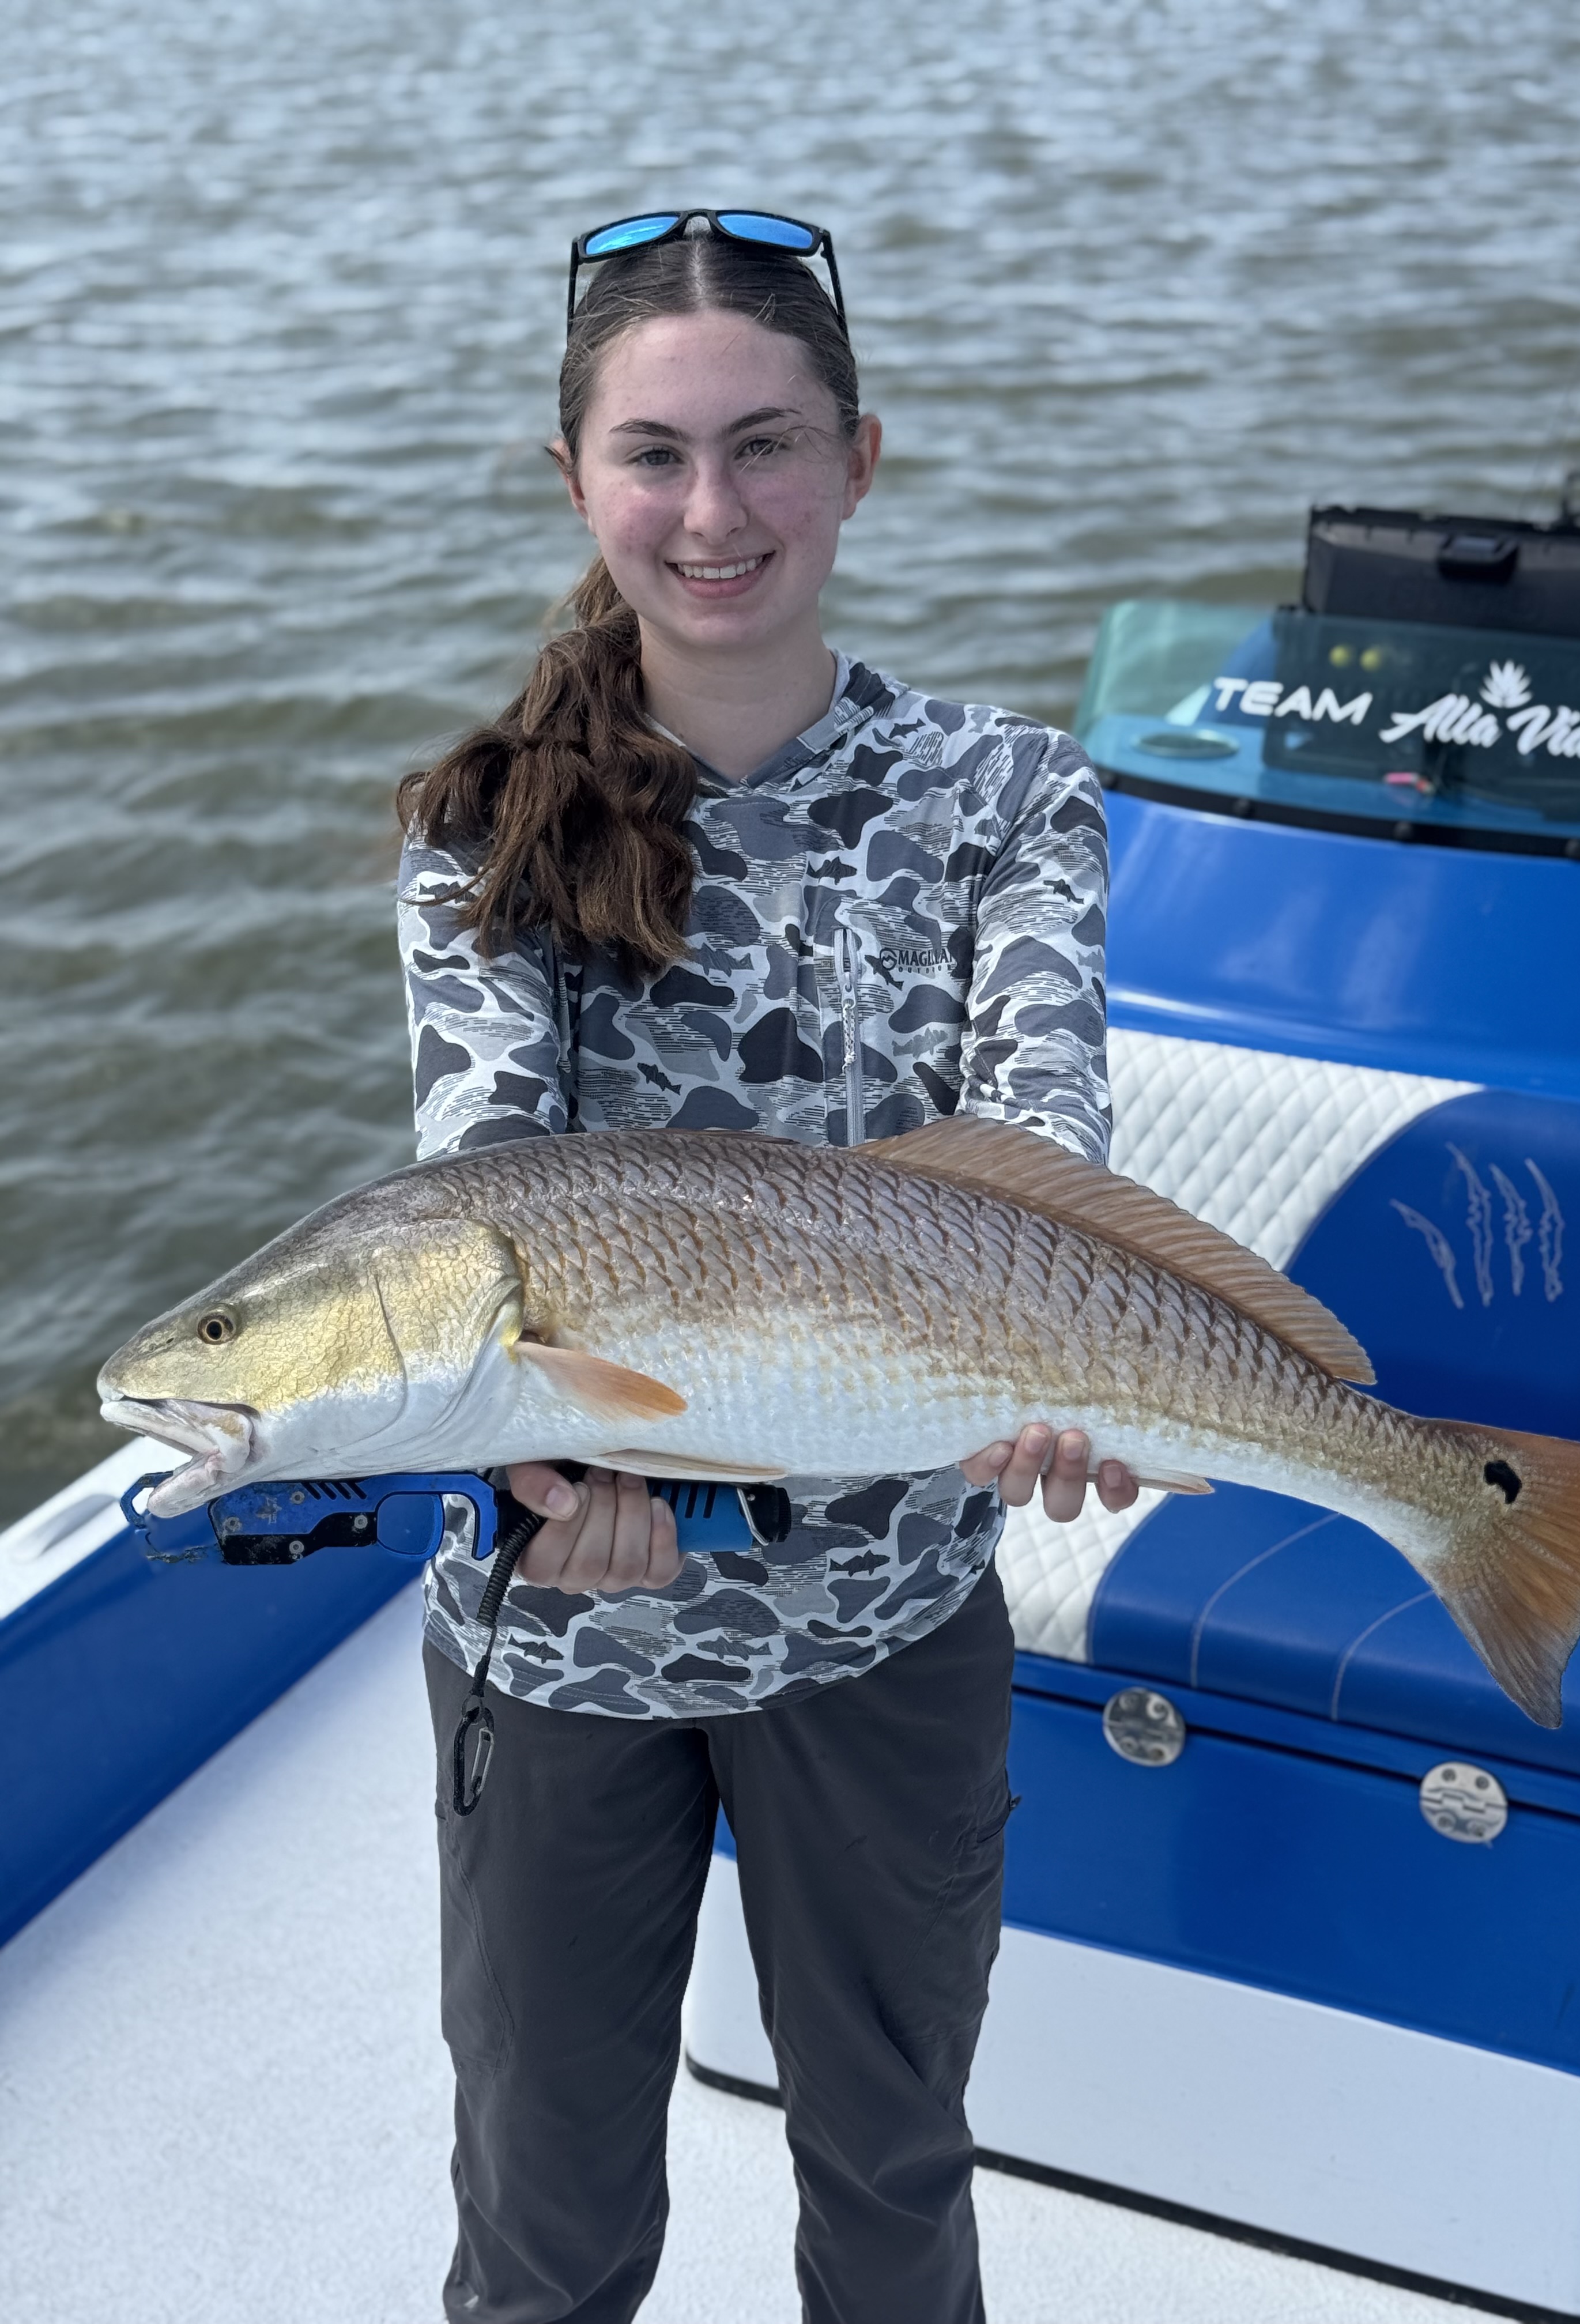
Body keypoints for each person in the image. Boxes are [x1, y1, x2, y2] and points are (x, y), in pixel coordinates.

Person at [395, 209, 1134, 2324]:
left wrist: (1079, 1366)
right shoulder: (491, 825)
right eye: (652, 455)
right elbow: (487, 1217)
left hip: (894, 1616)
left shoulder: (1008, 794)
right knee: (542, 2230)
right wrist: (538, 1484)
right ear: (575, 484)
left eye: (767, 446)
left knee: (896, 2180)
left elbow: (1044, 1151)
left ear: (860, 459)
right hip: (561, 1644)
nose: (710, 514)